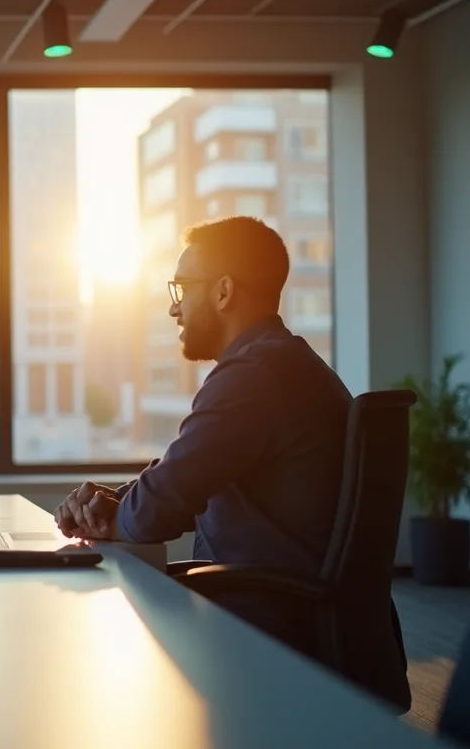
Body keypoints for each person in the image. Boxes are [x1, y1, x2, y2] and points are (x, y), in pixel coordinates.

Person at [55, 216, 358, 644]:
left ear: (223, 291)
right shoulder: (279, 364)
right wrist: (112, 500)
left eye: (181, 288)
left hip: (265, 627)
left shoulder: (255, 375)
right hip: (275, 609)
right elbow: (182, 473)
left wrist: (110, 516)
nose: (173, 307)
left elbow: (160, 508)